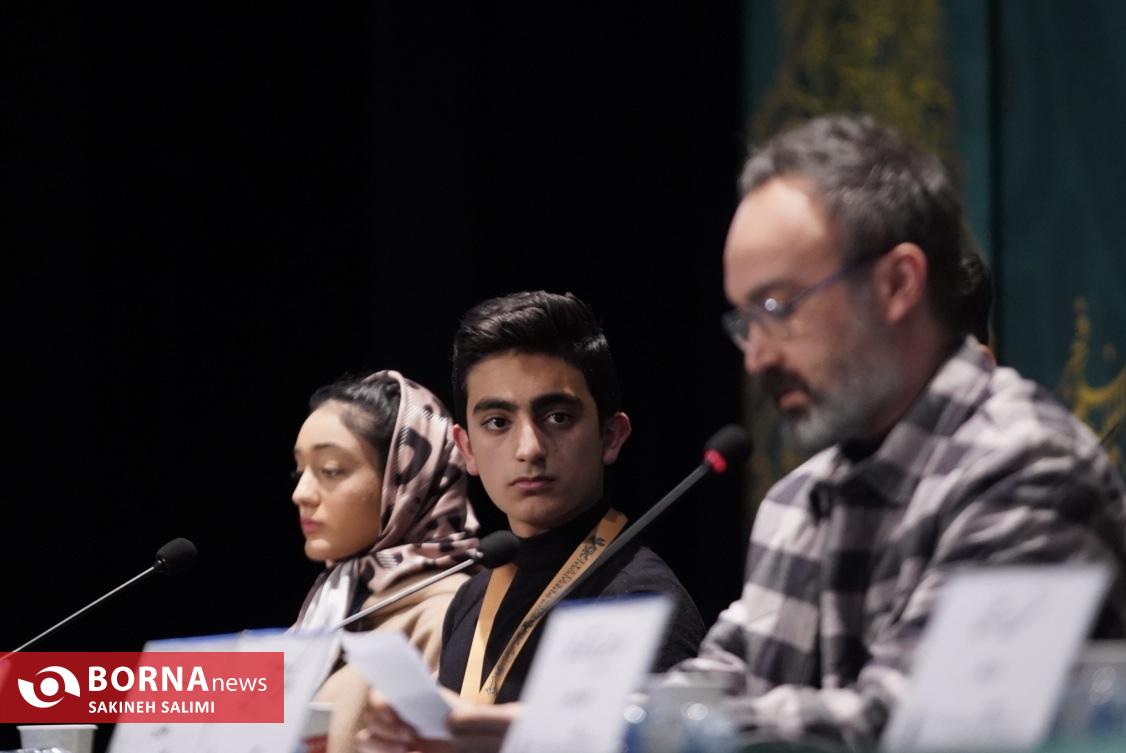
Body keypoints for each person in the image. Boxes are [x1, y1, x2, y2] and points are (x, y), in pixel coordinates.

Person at [672, 113, 1126, 748]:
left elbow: (909, 726)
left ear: (896, 284)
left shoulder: (1031, 467)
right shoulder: (795, 502)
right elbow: (714, 683)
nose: (757, 358)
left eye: (779, 308)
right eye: (747, 321)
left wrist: (658, 727)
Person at [358, 291, 705, 752]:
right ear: (466, 449)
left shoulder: (640, 600)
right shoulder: (470, 599)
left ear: (610, 436)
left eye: (557, 417)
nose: (529, 449)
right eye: (497, 422)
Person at [291, 370, 479, 753]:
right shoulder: (333, 602)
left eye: (330, 470)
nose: (301, 493)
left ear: (406, 482)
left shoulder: (447, 613)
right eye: (299, 470)